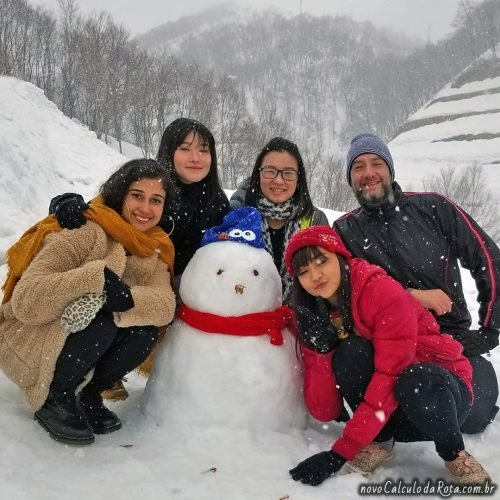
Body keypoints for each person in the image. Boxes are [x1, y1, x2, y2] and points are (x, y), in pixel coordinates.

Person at [284, 226, 490, 486]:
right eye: (303, 271)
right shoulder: (315, 313)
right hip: (391, 411)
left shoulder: (383, 293)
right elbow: (325, 411)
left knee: (416, 378)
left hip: (440, 398)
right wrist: (322, 350)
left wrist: (340, 453)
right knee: (350, 352)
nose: (315, 275)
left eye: (321, 261)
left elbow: (392, 374)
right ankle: (381, 439)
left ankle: (454, 452)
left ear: (340, 255)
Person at [0, 159, 176, 445]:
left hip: (80, 337)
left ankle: (88, 393)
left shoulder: (152, 248)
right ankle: (54, 395)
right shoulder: (86, 228)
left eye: (156, 200)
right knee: (102, 323)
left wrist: (125, 298)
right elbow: (26, 300)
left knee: (142, 332)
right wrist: (95, 280)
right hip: (32, 339)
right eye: (137, 196)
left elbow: (164, 305)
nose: (146, 208)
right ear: (120, 194)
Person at [334, 132, 500, 435]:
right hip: (387, 343)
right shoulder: (345, 230)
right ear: (350, 179)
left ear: (390, 170)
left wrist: (491, 330)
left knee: (475, 415)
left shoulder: (435, 208)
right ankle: (416, 415)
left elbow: (489, 261)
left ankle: (400, 418)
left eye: (376, 164)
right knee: (350, 360)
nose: (368, 173)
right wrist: (410, 297)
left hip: (450, 340)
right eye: (358, 167)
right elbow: (346, 295)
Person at [49, 118, 230, 394]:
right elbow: (103, 208)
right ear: (169, 151)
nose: (196, 157)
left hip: (176, 288)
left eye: (204, 150)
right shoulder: (151, 184)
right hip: (125, 277)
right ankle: (86, 372)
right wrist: (65, 203)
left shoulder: (217, 203)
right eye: (185, 148)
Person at [230, 137, 328, 301]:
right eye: (270, 171)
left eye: (288, 173)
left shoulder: (315, 221)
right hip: (245, 317)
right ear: (258, 174)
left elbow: (326, 280)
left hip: (299, 321)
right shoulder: (237, 215)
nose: (278, 180)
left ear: (298, 180)